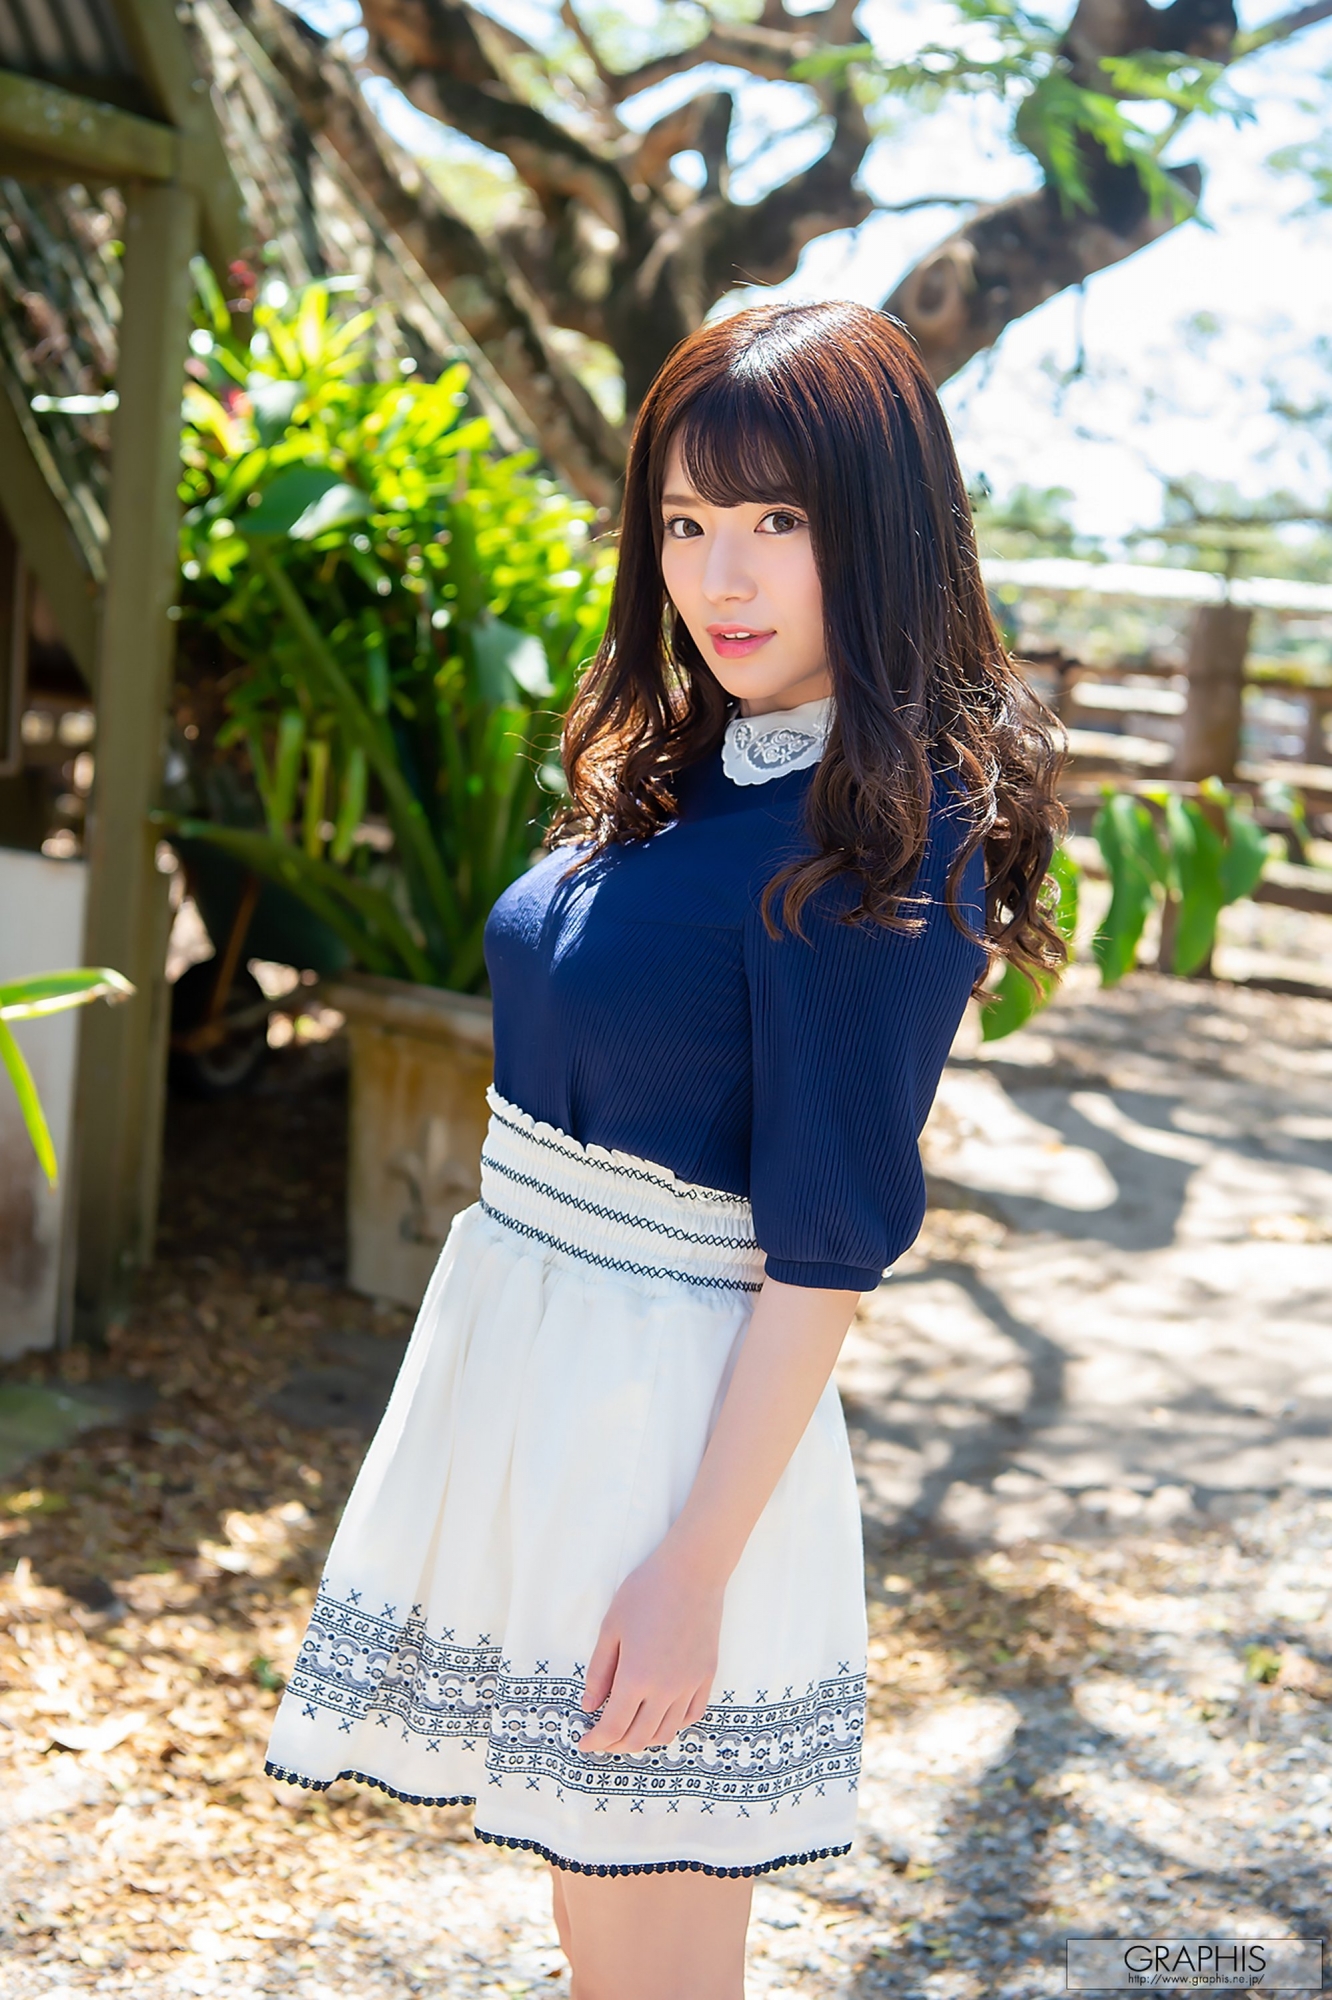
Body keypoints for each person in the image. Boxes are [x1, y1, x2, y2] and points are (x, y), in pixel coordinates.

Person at [264, 299, 1067, 1998]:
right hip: (543, 1373)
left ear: (884, 528)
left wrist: (695, 1567)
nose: (725, 576)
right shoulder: (695, 764)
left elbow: (825, 1250)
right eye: (688, 523)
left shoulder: (878, 829)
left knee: (651, 1950)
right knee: (597, 1922)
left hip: (670, 1424)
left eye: (779, 519)